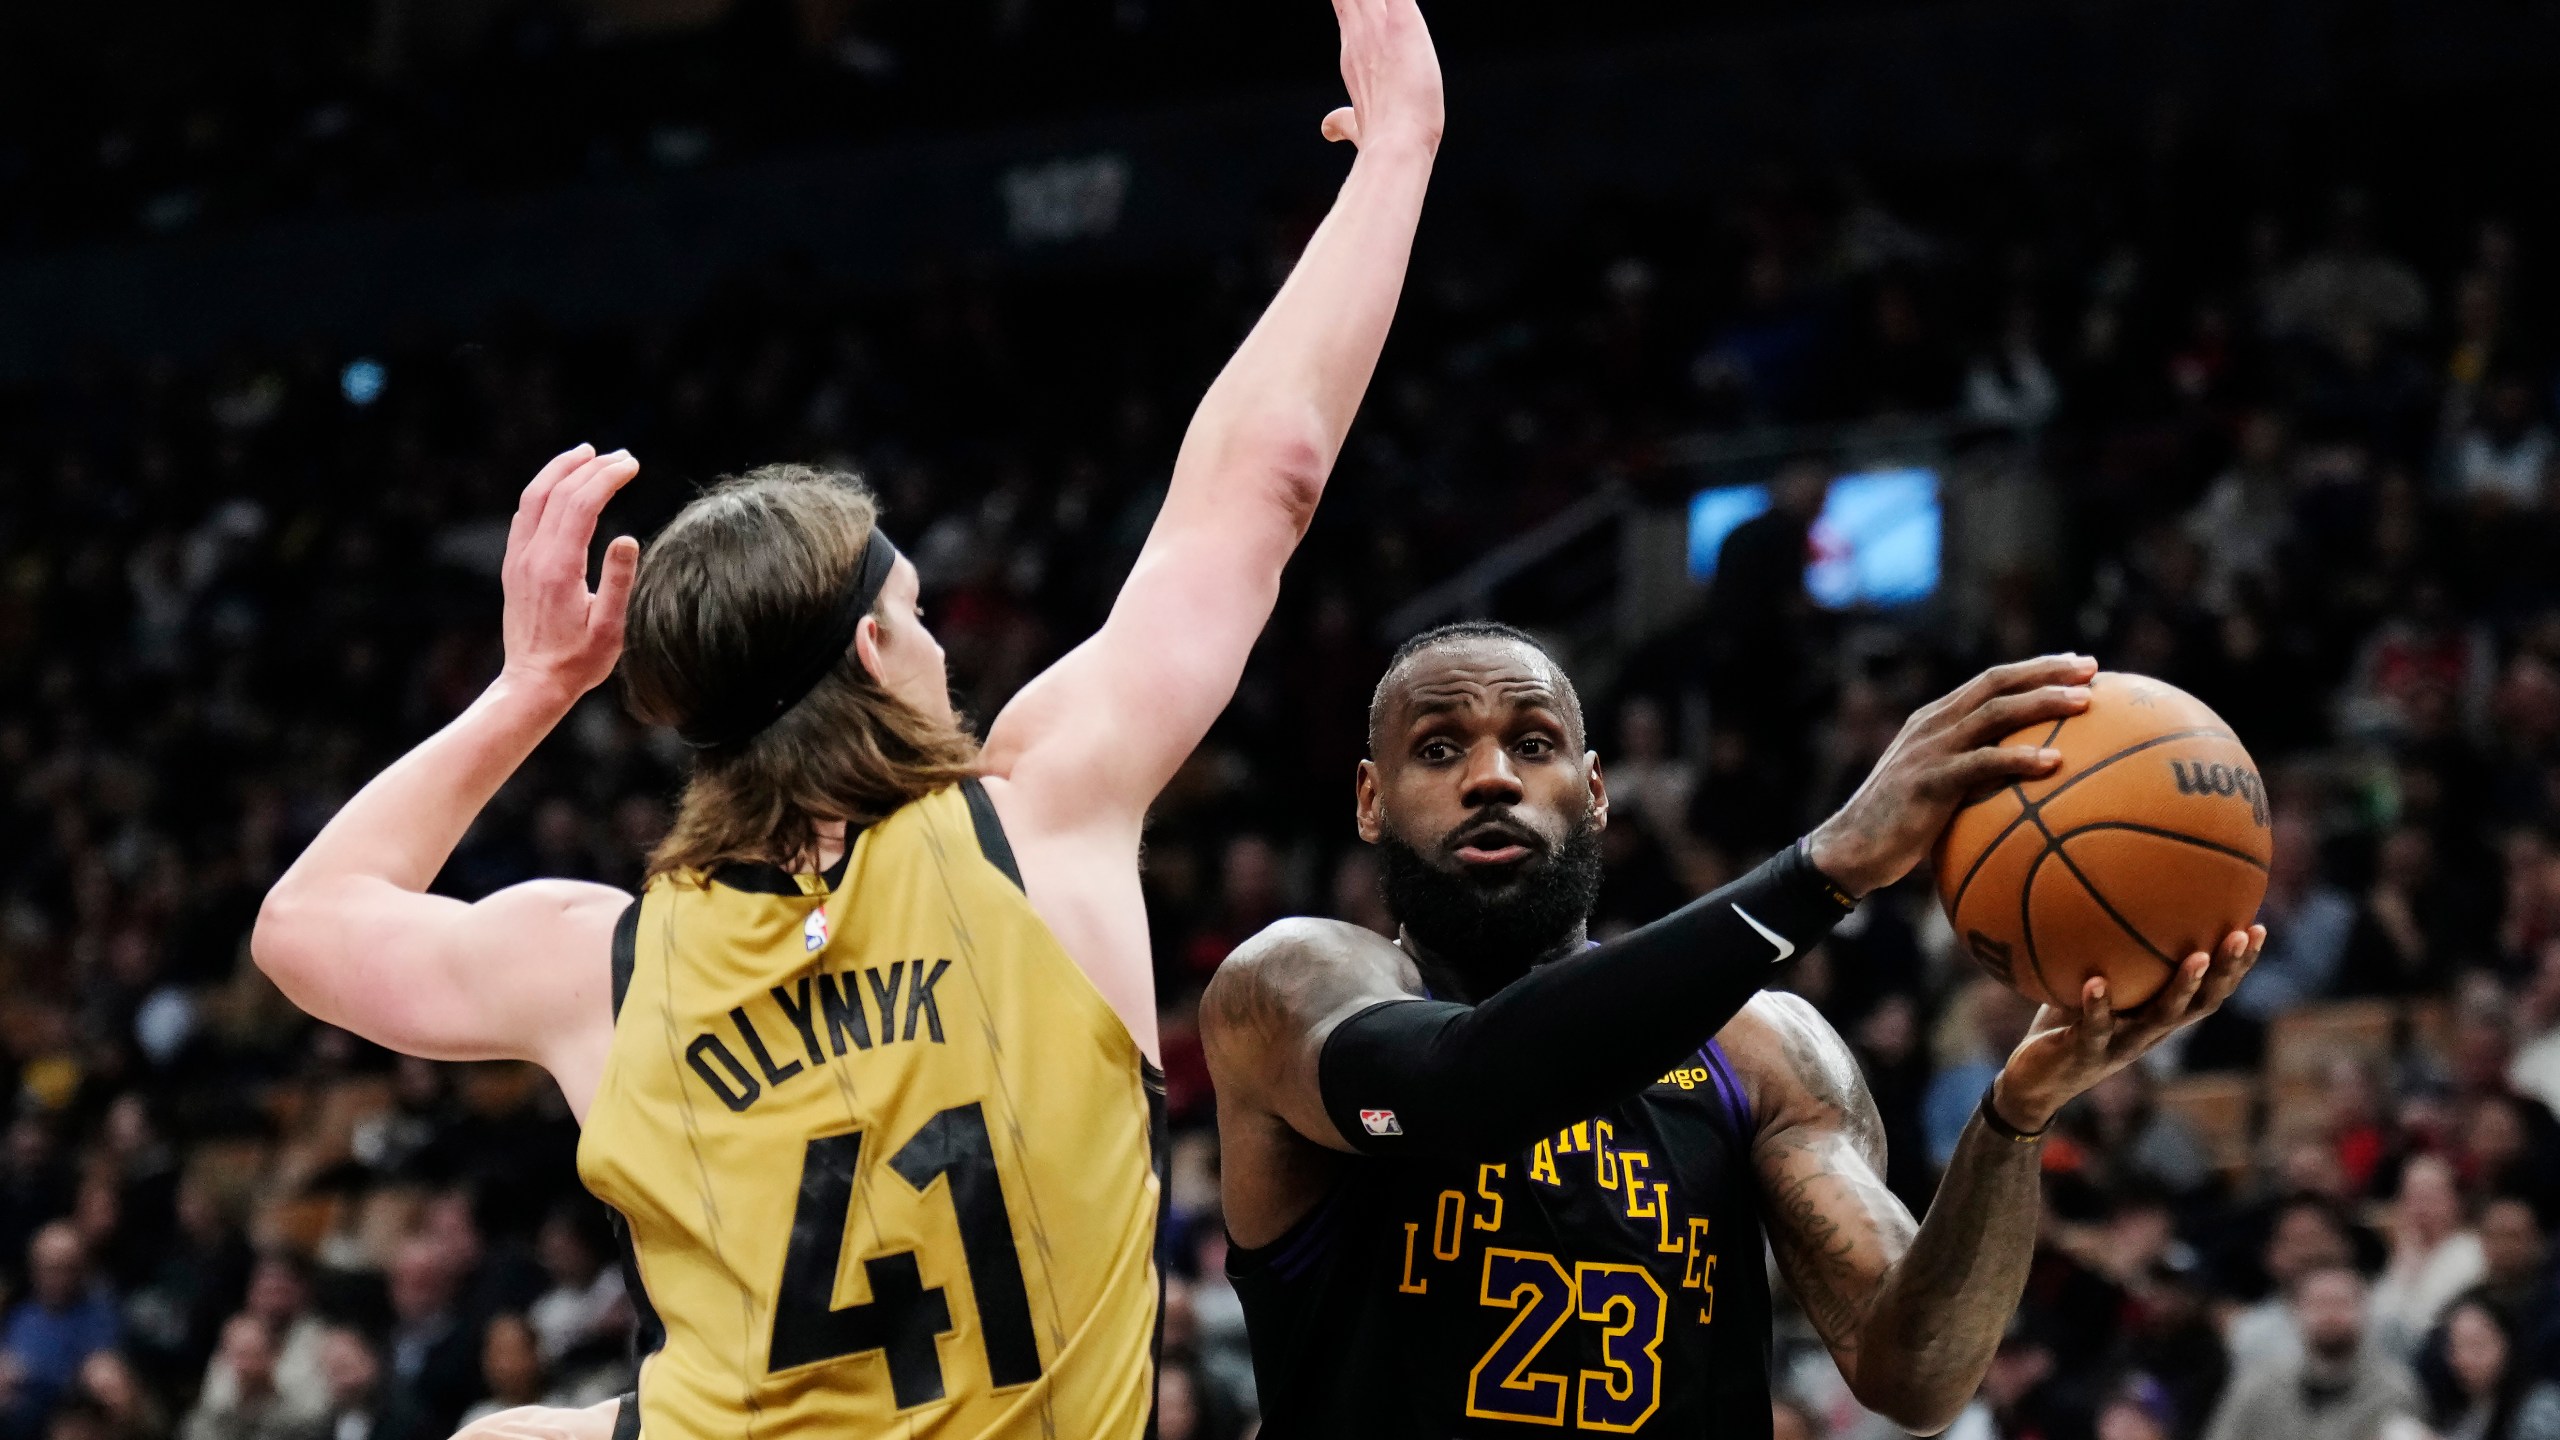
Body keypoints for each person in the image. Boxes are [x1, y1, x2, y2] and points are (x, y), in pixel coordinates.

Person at [246, 2, 1446, 1435]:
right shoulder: (1043, 815)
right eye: (924, 615)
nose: (943, 646)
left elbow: (303, 926)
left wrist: (526, 692)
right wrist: (1398, 155)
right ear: (876, 650)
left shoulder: (602, 968)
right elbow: (1271, 477)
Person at [1202, 627, 2264, 1437]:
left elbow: (1916, 1373)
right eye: (1440, 750)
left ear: (1597, 792)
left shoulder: (1759, 1050)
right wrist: (1822, 870)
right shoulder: (1291, 988)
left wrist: (2013, 1118)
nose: (1491, 778)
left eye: (1533, 745)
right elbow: (1456, 1086)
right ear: (1370, 802)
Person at [2201, 1266, 2419, 1440]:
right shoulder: (2258, 1388)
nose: (2330, 1315)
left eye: (2342, 1303)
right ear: (2295, 1313)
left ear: (2366, 1312)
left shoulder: (2394, 1391)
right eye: (2319, 1304)